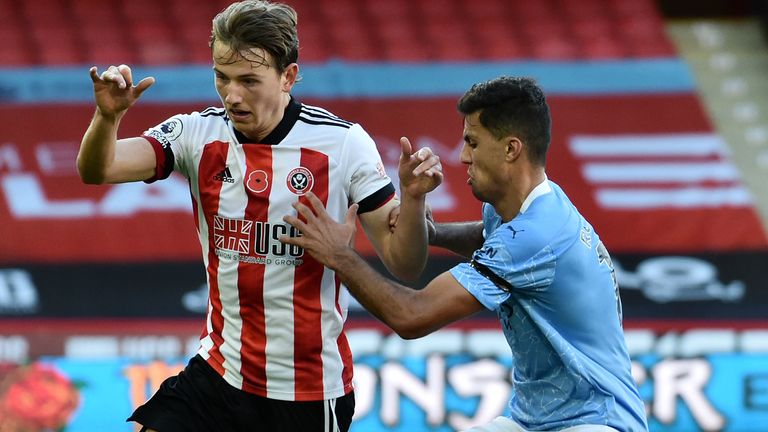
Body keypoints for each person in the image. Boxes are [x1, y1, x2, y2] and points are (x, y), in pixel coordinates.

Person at [76, 1, 442, 431]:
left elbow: (406, 262)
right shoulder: (197, 133)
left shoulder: (342, 145)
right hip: (218, 373)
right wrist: (108, 116)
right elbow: (97, 169)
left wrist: (414, 202)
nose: (232, 95)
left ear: (288, 76)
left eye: (249, 80)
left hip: (305, 392)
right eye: (221, 77)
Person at [281, 76, 649, 432]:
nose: (461, 156)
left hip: (599, 420)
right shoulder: (528, 204)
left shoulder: (535, 237)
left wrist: (339, 256)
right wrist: (433, 232)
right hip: (536, 419)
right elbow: (487, 236)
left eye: (472, 142)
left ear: (511, 149)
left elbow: (412, 316)